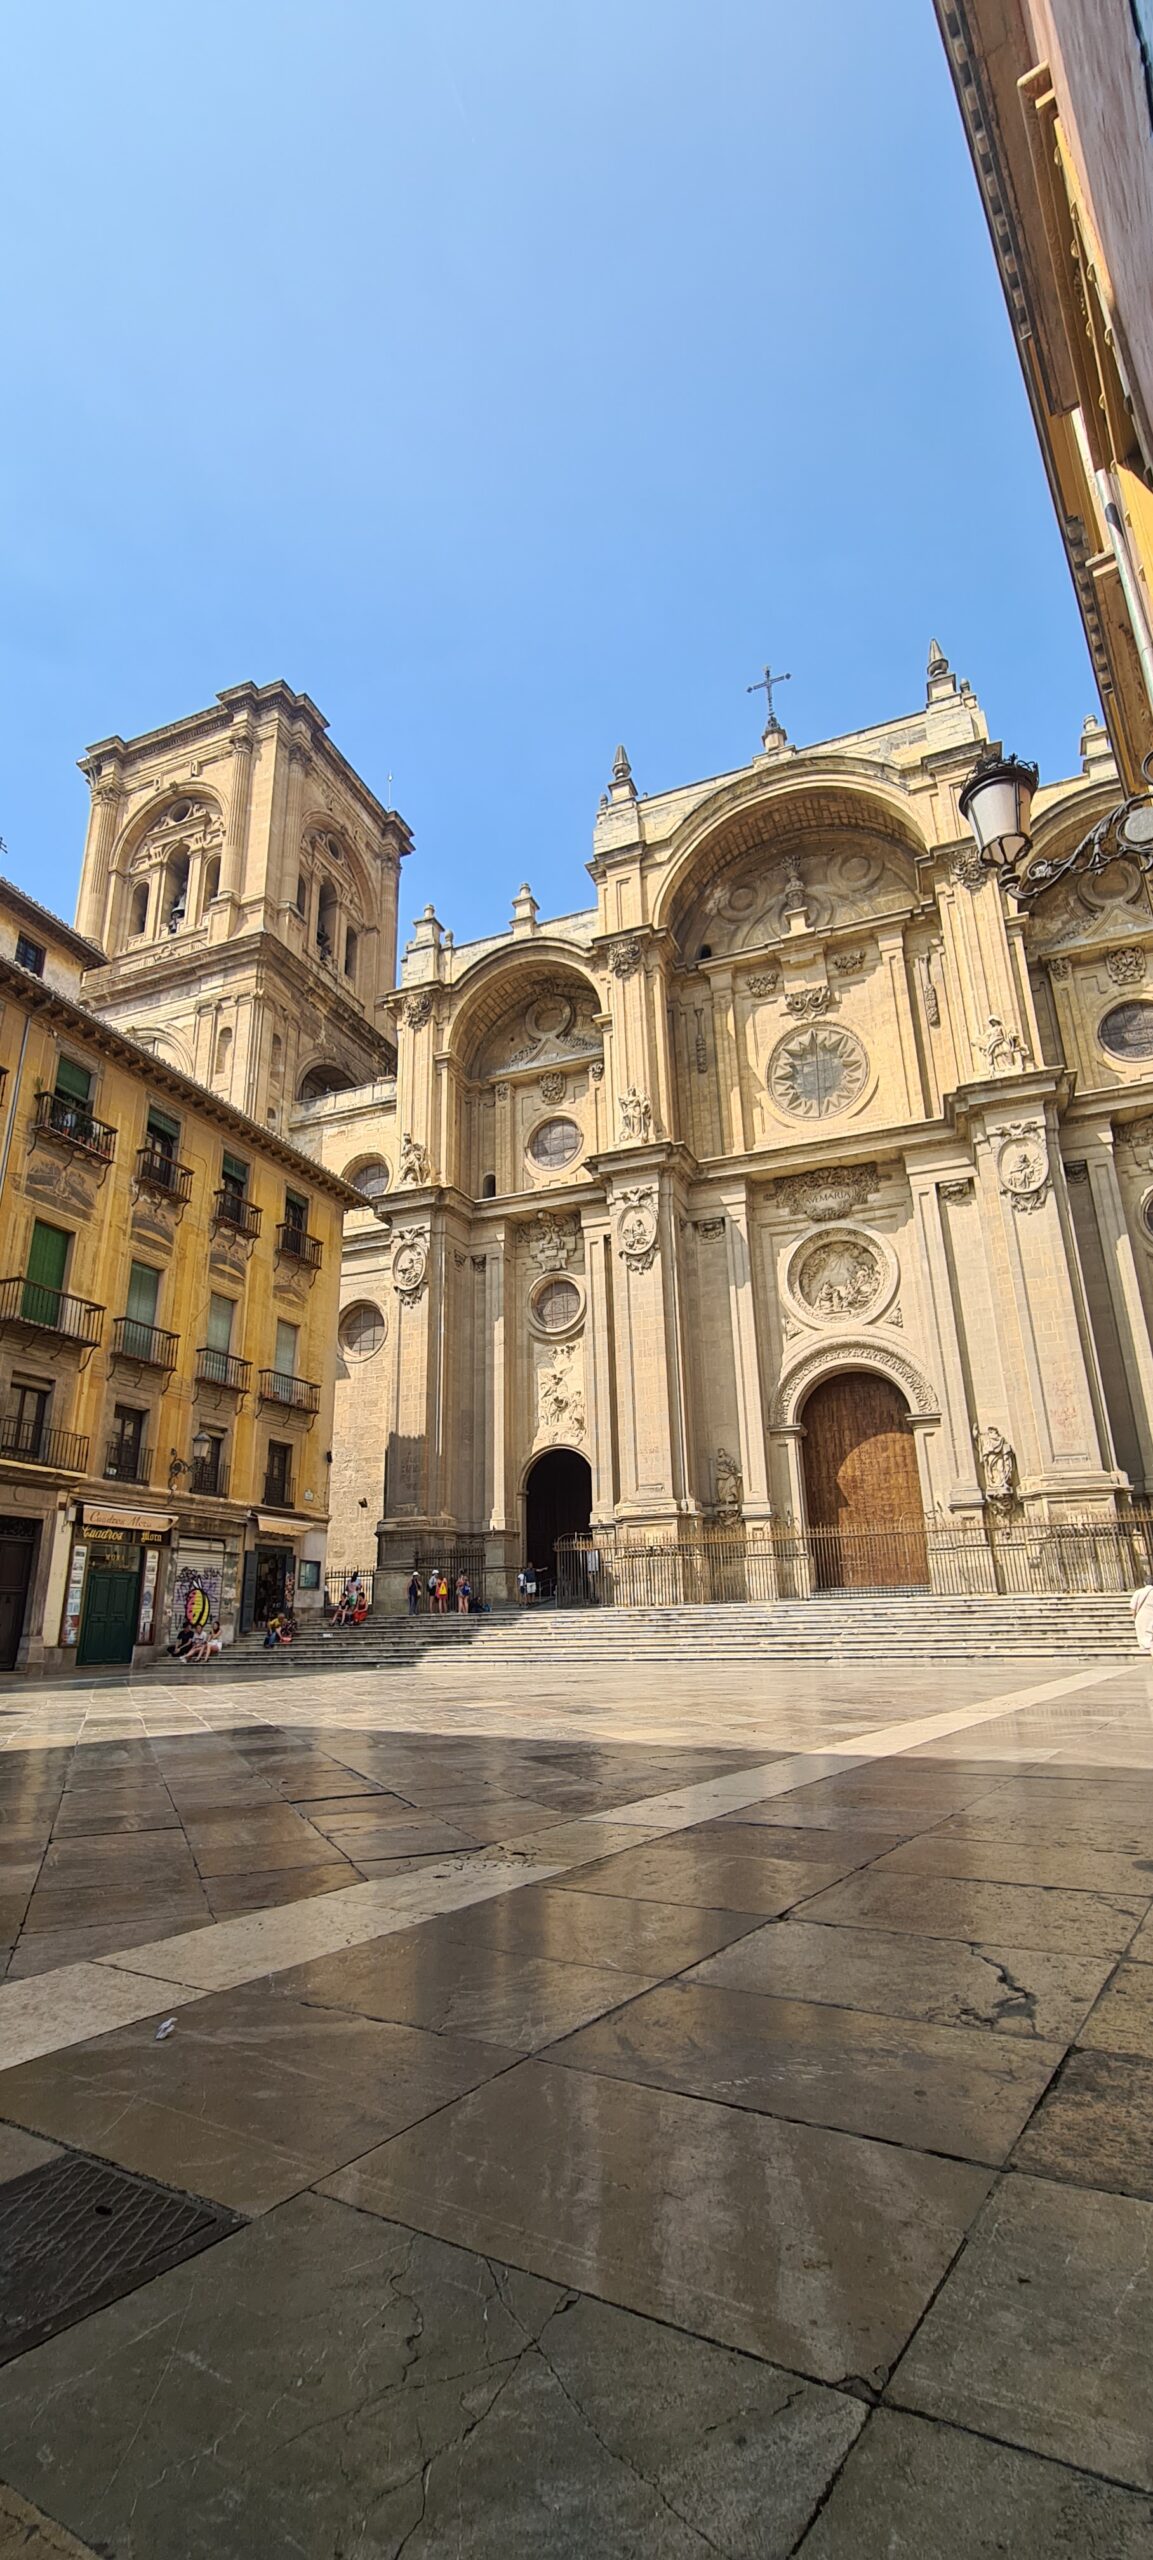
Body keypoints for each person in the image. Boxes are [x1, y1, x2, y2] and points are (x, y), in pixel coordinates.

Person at [1131, 1584, 1153, 1653]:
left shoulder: (1138, 1592)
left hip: (1143, 1618)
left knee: (1148, 1640)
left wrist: (1134, 1617)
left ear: (1144, 1583)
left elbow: (1133, 1608)